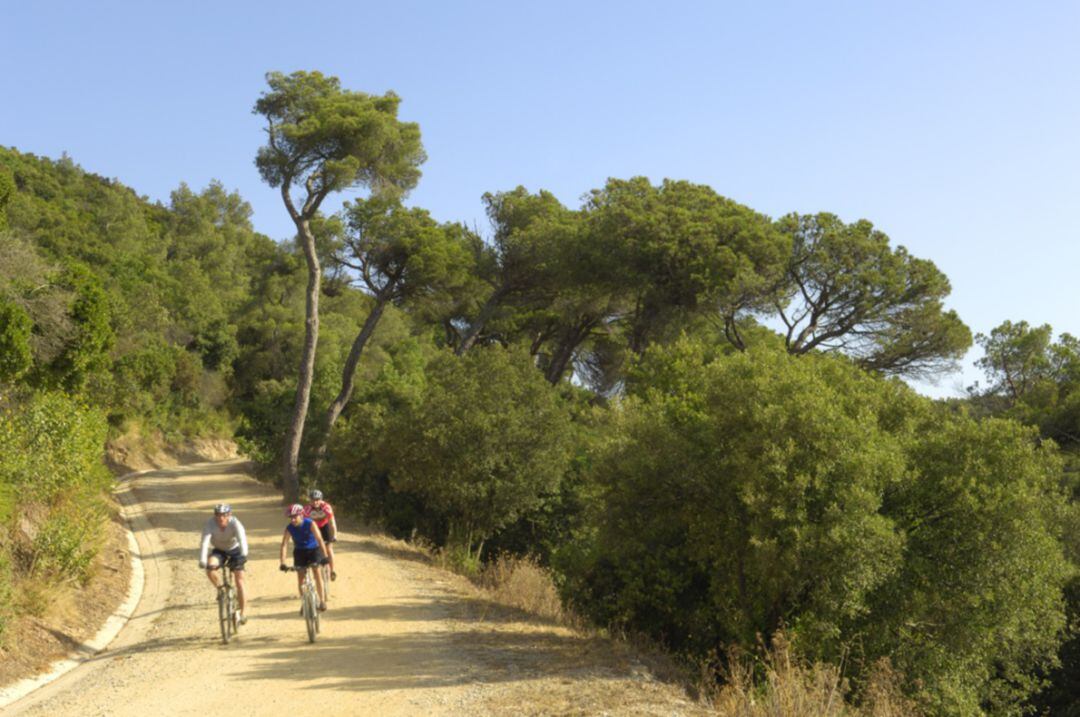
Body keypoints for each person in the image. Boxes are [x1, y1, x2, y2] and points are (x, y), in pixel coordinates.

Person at [198, 503, 249, 624]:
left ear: (229, 515)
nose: (221, 518)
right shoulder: (210, 524)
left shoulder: (235, 523)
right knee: (210, 569)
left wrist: (244, 553)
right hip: (219, 550)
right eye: (218, 515)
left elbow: (242, 539)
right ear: (215, 516)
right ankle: (221, 589)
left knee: (240, 580)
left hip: (235, 550)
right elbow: (204, 543)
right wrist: (202, 559)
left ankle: (243, 613)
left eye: (224, 515)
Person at [279, 503, 329, 611]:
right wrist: (282, 562)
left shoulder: (310, 523)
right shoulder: (289, 528)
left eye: (295, 517)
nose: (292, 520)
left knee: (316, 571)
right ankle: (304, 602)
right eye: (291, 517)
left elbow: (320, 539)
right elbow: (284, 544)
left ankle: (322, 600)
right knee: (300, 577)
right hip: (299, 551)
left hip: (313, 549)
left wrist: (325, 556)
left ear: (301, 515)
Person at [304, 489, 338, 580]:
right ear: (310, 500)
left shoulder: (326, 507)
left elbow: (332, 523)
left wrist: (334, 535)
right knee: (311, 548)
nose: (315, 502)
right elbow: (304, 524)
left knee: (328, 548)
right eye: (313, 500)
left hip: (324, 526)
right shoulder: (307, 509)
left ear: (321, 499)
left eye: (317, 499)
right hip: (313, 528)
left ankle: (332, 571)